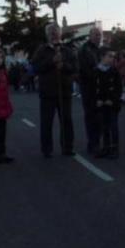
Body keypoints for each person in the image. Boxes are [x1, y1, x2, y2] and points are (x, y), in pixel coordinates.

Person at [32, 24, 77, 157]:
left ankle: (67, 147)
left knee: (67, 121)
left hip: (64, 91)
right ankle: (47, 149)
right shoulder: (41, 50)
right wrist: (51, 61)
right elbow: (35, 67)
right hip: (48, 92)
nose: (54, 34)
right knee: (47, 122)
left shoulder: (67, 50)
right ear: (47, 34)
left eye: (56, 32)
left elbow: (74, 67)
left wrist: (64, 65)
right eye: (51, 32)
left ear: (60, 33)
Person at [94, 48, 122, 159]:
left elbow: (118, 88)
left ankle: (115, 148)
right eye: (109, 56)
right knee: (104, 126)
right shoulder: (96, 71)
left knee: (113, 126)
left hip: (112, 104)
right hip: (102, 104)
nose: (112, 59)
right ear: (102, 57)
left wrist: (113, 99)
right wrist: (98, 99)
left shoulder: (114, 71)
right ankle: (106, 147)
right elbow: (95, 87)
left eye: (113, 57)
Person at [78, 27, 102, 155]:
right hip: (89, 88)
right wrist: (97, 74)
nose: (99, 37)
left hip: (98, 87)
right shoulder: (84, 50)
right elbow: (84, 70)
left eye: (100, 35)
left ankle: (96, 143)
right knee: (91, 117)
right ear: (90, 35)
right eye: (96, 35)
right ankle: (93, 145)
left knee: (99, 117)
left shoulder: (98, 50)